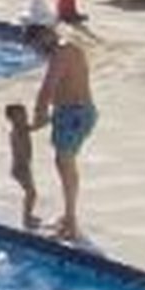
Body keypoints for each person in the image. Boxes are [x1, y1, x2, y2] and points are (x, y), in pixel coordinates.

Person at [30, 21, 95, 240]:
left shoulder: (62, 52)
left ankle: (71, 222)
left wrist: (38, 115)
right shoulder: (65, 50)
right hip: (71, 113)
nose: (37, 49)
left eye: (37, 43)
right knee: (64, 164)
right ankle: (68, 216)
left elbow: (47, 88)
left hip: (74, 114)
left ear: (46, 35)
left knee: (65, 165)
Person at [2, 101, 40, 228]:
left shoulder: (23, 128)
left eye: (25, 114)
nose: (25, 116)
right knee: (31, 193)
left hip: (24, 167)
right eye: (21, 115)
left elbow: (36, 126)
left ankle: (28, 216)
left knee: (31, 193)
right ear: (11, 119)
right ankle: (26, 219)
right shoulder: (17, 131)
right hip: (20, 168)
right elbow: (20, 146)